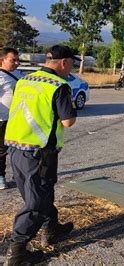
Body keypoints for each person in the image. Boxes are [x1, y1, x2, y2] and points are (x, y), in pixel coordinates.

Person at [4, 45, 79, 265]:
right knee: (36, 200)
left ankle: (52, 228)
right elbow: (68, 121)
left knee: (40, 192)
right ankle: (17, 250)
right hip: (40, 153)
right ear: (64, 62)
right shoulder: (59, 85)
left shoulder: (24, 80)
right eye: (72, 64)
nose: (71, 69)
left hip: (16, 148)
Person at [0, 47, 22, 189]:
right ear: (2, 60)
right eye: (12, 60)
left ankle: (18, 174)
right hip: (2, 120)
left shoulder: (19, 74)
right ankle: (0, 176)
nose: (16, 63)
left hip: (18, 119)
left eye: (17, 60)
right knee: (1, 150)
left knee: (18, 149)